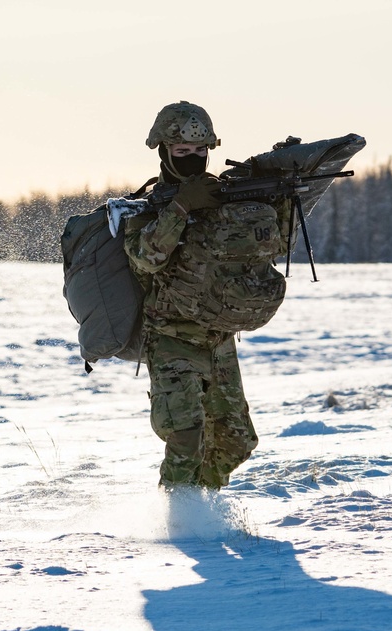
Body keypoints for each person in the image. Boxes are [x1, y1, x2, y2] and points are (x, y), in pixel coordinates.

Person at [123, 101, 294, 489]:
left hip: (218, 337)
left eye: (200, 152)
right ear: (163, 151)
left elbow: (271, 247)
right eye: (182, 153)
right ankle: (179, 520)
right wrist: (181, 207)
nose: (193, 160)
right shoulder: (147, 208)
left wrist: (272, 201)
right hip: (171, 337)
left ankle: (205, 507)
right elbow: (147, 258)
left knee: (235, 441)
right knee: (185, 437)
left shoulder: (227, 197)